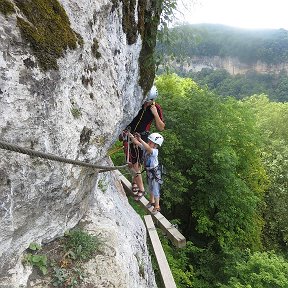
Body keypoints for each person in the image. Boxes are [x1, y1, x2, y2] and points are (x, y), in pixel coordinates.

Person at [121, 85, 165, 196]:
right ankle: (140, 187)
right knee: (131, 163)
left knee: (138, 162)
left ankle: (137, 185)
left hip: (142, 137)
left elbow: (161, 127)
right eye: (145, 101)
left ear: (153, 100)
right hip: (129, 134)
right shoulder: (138, 102)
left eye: (148, 102)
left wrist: (155, 114)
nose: (145, 104)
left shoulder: (156, 108)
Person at [128, 132, 164, 214]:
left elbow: (147, 148)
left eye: (151, 142)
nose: (148, 143)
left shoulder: (155, 151)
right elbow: (137, 143)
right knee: (150, 187)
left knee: (155, 189)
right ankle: (151, 201)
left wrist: (140, 139)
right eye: (149, 141)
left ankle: (157, 206)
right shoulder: (146, 148)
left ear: (156, 145)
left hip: (155, 173)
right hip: (149, 172)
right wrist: (131, 136)